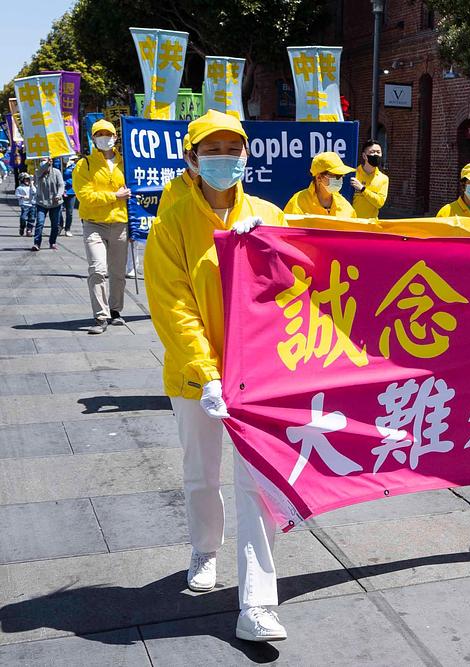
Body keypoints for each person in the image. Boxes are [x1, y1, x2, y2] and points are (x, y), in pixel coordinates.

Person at [144, 109, 289, 642]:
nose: (224, 158)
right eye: (213, 149)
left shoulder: (269, 213)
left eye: (234, 148)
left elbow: (295, 290)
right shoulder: (173, 220)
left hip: (258, 376)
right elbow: (172, 304)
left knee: (257, 486)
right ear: (192, 159)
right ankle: (205, 549)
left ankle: (257, 604)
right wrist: (206, 373)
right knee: (202, 474)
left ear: (248, 155)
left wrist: (269, 248)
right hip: (194, 377)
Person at [74, 119, 130, 335]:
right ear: (93, 138)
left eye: (108, 133)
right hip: (93, 224)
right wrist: (114, 196)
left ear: (115, 137)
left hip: (120, 223)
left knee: (118, 272)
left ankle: (115, 311)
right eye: (99, 134)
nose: (104, 137)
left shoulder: (126, 162)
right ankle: (101, 316)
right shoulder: (84, 164)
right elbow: (85, 196)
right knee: (97, 269)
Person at [284, 152, 356, 217]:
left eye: (341, 176)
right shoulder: (298, 202)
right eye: (335, 175)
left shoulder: (345, 206)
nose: (339, 179)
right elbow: (286, 230)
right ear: (319, 178)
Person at [158, 133, 198, 216]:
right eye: (192, 154)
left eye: (198, 153)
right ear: (184, 155)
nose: (196, 158)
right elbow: (163, 223)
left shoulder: (216, 184)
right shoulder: (171, 188)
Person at [350, 140, 389, 219]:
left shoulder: (383, 178)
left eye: (378, 152)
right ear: (364, 156)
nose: (376, 154)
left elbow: (380, 203)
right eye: (372, 152)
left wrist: (362, 189)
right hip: (352, 222)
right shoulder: (353, 174)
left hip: (371, 224)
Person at [32, 157, 65, 251]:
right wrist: (47, 164)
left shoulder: (56, 172)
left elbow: (61, 185)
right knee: (40, 223)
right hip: (41, 202)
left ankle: (52, 242)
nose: (43, 162)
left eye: (45, 160)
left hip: (55, 203)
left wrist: (59, 195)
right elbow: (40, 171)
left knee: (55, 224)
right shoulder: (38, 172)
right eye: (41, 161)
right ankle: (37, 243)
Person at [16, 173, 35, 237]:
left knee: (32, 218)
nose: (27, 181)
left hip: (32, 204)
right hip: (24, 205)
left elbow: (35, 192)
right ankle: (22, 227)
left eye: (28, 180)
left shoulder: (32, 187)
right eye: (26, 180)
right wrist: (22, 196)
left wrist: (32, 184)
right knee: (23, 218)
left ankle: (29, 230)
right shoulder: (19, 188)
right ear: (22, 180)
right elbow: (17, 195)